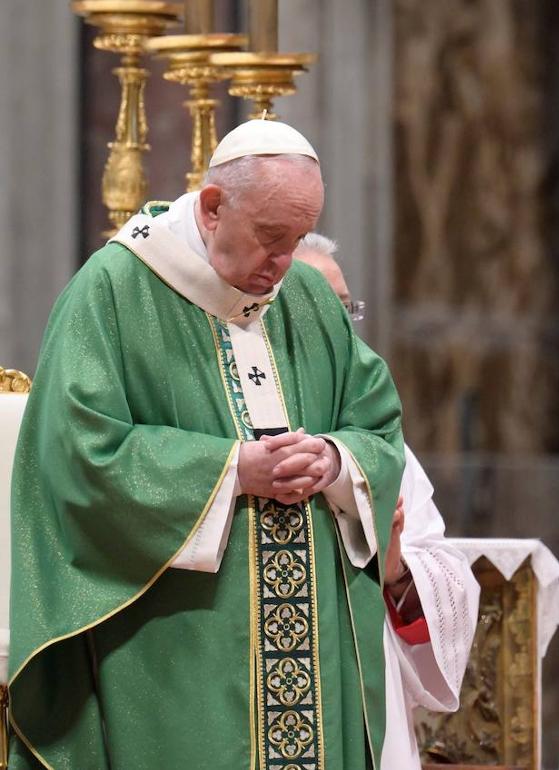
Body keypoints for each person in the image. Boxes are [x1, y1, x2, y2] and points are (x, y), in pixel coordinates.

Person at [7, 119, 473, 769]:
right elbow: (78, 454)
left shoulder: (306, 297)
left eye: (298, 239)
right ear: (212, 207)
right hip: (180, 646)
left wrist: (337, 461)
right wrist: (229, 470)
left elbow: (377, 426)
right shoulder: (112, 292)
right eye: (270, 237)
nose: (283, 263)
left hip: (315, 649)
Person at [293, 233, 481, 767]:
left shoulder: (377, 441)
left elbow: (438, 564)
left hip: (361, 681)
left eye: (345, 307)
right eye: (317, 305)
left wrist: (396, 572)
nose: (341, 324)